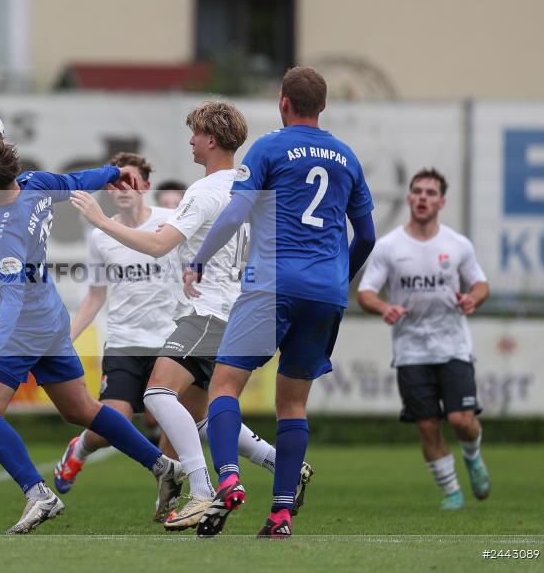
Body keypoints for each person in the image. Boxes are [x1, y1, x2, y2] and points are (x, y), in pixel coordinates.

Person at [69, 101, 290, 531]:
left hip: (209, 312)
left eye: (195, 133)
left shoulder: (204, 191)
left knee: (156, 395)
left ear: (211, 139)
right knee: (203, 416)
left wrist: (100, 219)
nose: (190, 141)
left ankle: (202, 491)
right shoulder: (251, 187)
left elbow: (157, 246)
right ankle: (284, 464)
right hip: (240, 311)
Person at [0, 134, 185, 535]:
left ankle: (39, 494)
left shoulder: (5, 230)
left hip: (22, 332)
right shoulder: (35, 183)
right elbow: (78, 180)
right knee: (80, 409)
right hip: (50, 320)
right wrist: (113, 172)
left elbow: (12, 298)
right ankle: (163, 466)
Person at [185, 66, 376, 538]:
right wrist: (339, 278)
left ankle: (228, 478)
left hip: (272, 285)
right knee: (292, 405)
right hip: (326, 293)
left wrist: (199, 260)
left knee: (224, 386)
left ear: (283, 103)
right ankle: (281, 515)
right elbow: (368, 236)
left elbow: (236, 212)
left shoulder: (269, 147)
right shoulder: (347, 157)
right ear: (323, 106)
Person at [52, 152, 179, 513]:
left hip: (169, 341)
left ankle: (168, 499)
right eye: (116, 184)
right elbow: (95, 296)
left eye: (131, 182)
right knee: (113, 423)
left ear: (146, 187)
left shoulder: (169, 222)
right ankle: (79, 449)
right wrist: (65, 339)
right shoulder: (100, 236)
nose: (123, 189)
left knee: (173, 422)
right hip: (124, 341)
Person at [357, 168, 490, 511]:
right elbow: (366, 292)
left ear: (441, 202)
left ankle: (473, 456)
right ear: (409, 197)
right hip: (411, 350)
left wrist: (473, 298)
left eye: (430, 193)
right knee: (428, 426)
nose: (422, 198)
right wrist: (384, 307)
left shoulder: (457, 244)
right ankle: (452, 492)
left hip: (453, 345)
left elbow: (480, 283)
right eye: (417, 191)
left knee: (461, 420)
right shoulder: (389, 247)